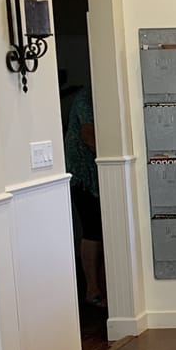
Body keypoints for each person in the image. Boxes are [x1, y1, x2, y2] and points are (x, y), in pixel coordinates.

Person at [64, 85, 106, 307]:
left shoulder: (102, 96)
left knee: (102, 230)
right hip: (82, 175)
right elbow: (89, 137)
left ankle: (103, 287)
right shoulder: (86, 98)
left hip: (96, 176)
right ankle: (92, 289)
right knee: (93, 229)